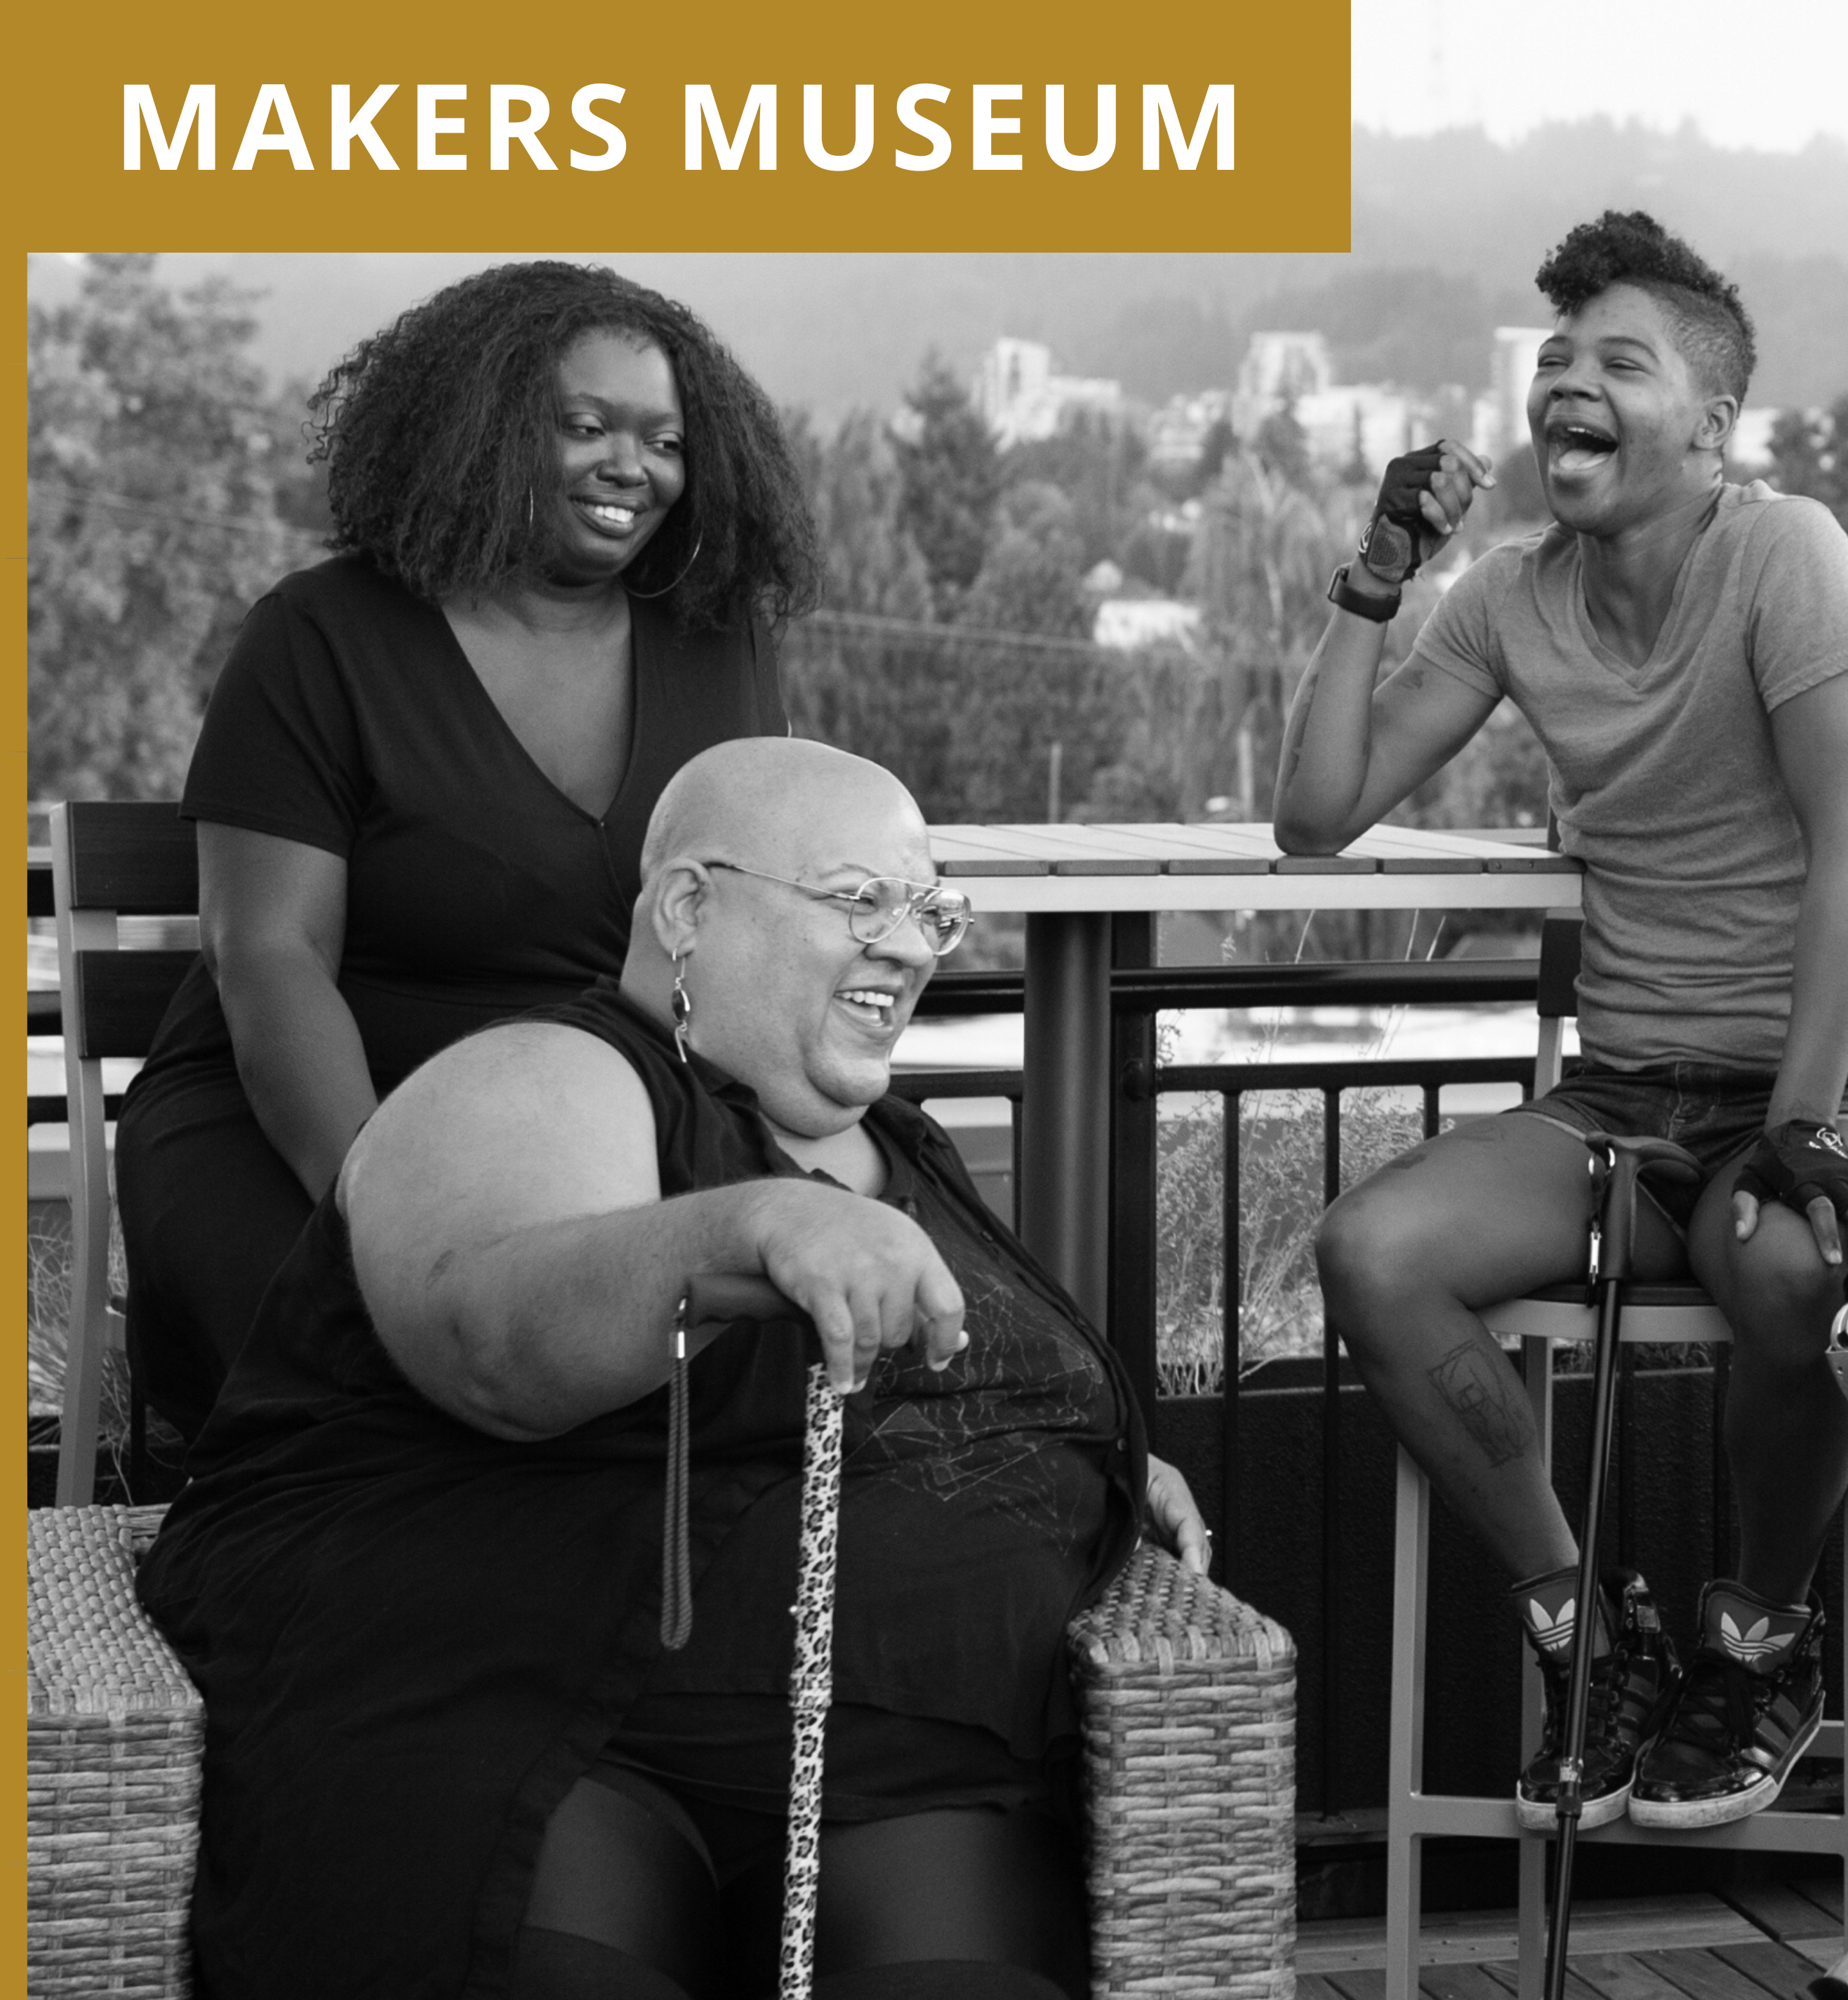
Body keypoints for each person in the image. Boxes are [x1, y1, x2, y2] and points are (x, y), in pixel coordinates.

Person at [138, 740, 1210, 2000]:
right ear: (690, 906)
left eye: (929, 911)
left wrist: (1095, 1464)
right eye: (859, 899)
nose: (913, 947)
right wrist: (742, 1229)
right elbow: (492, 1336)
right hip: (563, 1731)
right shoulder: (555, 1072)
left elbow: (936, 1376)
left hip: (909, 1770)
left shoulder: (898, 1147)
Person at [1276, 210, 1848, 1832]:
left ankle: (1759, 1639)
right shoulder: (1509, 596)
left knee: (1790, 1257)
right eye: (1555, 361)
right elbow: (1316, 814)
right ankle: (1590, 1636)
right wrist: (1377, 583)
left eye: (1617, 362)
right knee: (1373, 1254)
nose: (1569, 382)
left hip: (1835, 1074)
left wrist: (1796, 1125)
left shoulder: (1783, 553)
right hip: (1626, 1100)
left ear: (1709, 423)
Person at [113, 260, 818, 1445]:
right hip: (311, 1121)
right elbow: (269, 956)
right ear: (481, 431)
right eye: (583, 426)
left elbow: (757, 925)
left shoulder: (720, 649)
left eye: (664, 440)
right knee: (390, 1386)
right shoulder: (322, 635)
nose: (628, 468)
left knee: (735, 1372)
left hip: (598, 1129)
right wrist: (388, 1208)